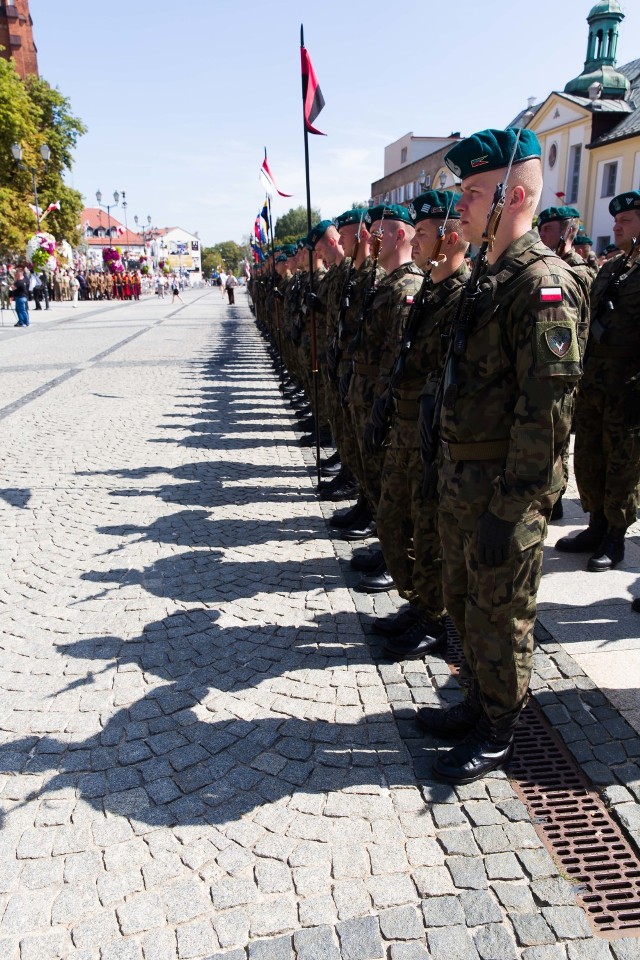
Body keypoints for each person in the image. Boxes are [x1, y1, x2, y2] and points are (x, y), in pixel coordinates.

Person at [422, 128, 588, 784]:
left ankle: (500, 729)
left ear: (513, 196)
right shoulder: (488, 278)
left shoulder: (541, 285)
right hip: (465, 478)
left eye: (471, 193)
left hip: (505, 492)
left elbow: (548, 416)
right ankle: (476, 701)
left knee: (502, 615)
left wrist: (512, 508)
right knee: (465, 604)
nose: (458, 207)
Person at [372, 190, 469, 659]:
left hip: (434, 438)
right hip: (406, 426)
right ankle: (418, 602)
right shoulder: (429, 291)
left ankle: (433, 615)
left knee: (428, 534)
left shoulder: (463, 299)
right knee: (394, 521)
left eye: (424, 233)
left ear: (447, 240)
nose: (417, 240)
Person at [556, 190, 640, 573]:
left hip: (629, 387)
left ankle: (615, 537)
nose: (616, 226)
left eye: (626, 221)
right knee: (590, 456)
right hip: (594, 382)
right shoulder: (611, 269)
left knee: (623, 463)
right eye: (617, 220)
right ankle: (595, 525)